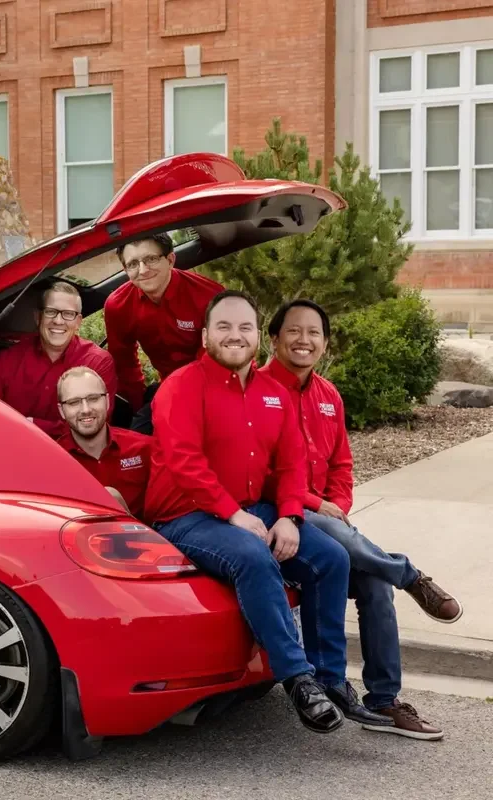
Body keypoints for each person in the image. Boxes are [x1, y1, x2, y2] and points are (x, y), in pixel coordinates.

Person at [144, 290, 389, 734]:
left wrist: (290, 516)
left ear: (257, 337)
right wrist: (234, 515)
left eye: (244, 327)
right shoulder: (180, 387)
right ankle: (296, 678)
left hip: (256, 508)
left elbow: (292, 464)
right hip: (186, 516)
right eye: (224, 327)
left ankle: (330, 679)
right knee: (253, 555)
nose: (234, 335)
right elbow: (184, 461)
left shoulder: (273, 393)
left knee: (332, 557)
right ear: (205, 336)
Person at [261, 298, 462, 739]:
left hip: (331, 522)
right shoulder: (257, 392)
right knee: (342, 537)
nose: (304, 340)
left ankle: (385, 700)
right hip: (282, 519)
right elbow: (262, 471)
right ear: (272, 338)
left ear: (325, 343)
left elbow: (342, 465)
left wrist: (337, 504)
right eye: (293, 331)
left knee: (373, 584)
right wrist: (317, 504)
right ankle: (408, 574)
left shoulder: (329, 395)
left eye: (314, 332)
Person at [103, 232, 224, 433]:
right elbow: (124, 364)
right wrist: (136, 407)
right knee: (137, 437)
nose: (142, 270)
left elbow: (216, 358)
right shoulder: (118, 306)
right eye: (133, 264)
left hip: (213, 385)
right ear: (125, 269)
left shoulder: (208, 296)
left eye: (150, 259)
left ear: (170, 259)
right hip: (166, 388)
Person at [0, 280, 117, 436]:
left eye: (68, 314)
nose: (58, 321)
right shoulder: (4, 362)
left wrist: (32, 425)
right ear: (38, 317)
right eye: (51, 311)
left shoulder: (97, 362)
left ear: (78, 322)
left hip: (74, 455)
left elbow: (96, 424)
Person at [54, 367, 151, 518]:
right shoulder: (53, 461)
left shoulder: (145, 449)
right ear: (61, 410)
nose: (86, 410)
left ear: (107, 401)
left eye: (93, 398)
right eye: (74, 402)